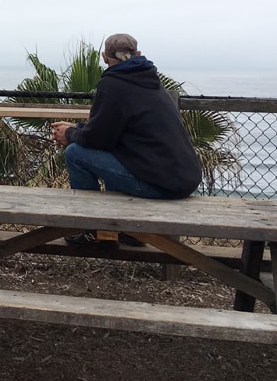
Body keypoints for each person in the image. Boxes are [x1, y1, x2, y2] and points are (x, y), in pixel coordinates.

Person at [50, 33, 202, 245]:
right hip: (182, 180)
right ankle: (129, 232)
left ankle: (88, 227)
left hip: (161, 185)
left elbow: (99, 139)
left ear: (104, 57)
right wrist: (77, 129)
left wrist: (69, 134)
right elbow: (111, 131)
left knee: (75, 153)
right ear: (138, 54)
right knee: (112, 154)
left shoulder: (113, 84)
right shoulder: (150, 81)